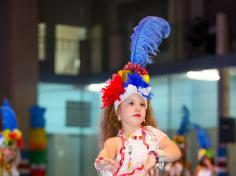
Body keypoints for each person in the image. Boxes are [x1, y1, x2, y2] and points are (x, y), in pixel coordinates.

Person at [94, 16, 181, 176]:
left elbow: (175, 151)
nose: (138, 108)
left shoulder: (153, 134)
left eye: (142, 104)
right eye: (131, 103)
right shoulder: (115, 142)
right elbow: (106, 153)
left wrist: (156, 155)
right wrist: (105, 161)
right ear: (118, 112)